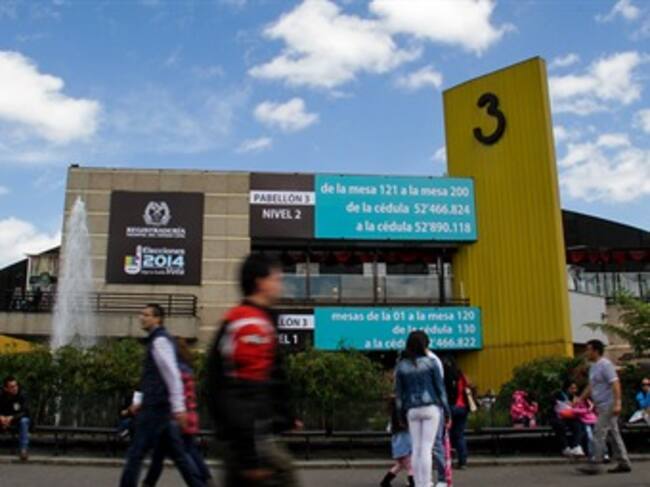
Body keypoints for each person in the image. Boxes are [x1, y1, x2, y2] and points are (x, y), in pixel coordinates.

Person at [206, 253, 301, 487]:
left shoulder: (255, 318)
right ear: (261, 283)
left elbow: (272, 376)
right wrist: (248, 457)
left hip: (243, 437)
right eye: (276, 279)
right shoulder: (250, 325)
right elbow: (245, 392)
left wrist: (286, 417)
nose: (280, 285)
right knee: (285, 474)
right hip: (250, 439)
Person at [119, 304, 205, 487]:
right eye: (141, 314)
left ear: (158, 319)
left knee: (136, 454)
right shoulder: (157, 339)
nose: (142, 318)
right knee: (179, 456)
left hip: (155, 408)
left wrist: (179, 408)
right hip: (162, 409)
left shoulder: (159, 341)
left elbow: (171, 374)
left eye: (147, 315)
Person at [142, 338, 215, 487]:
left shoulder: (176, 372)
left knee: (182, 455)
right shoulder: (187, 370)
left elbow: (172, 394)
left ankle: (200, 482)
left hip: (176, 418)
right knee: (180, 451)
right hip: (189, 416)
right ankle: (207, 479)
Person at [394, 331, 450, 487]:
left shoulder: (401, 366)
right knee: (427, 447)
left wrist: (400, 416)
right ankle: (426, 483)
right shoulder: (431, 363)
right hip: (431, 407)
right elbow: (440, 390)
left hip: (411, 409)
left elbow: (399, 395)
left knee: (416, 448)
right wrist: (447, 412)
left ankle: (418, 483)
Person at [577, 339, 632, 475]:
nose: (586, 353)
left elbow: (615, 383)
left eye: (588, 350)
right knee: (613, 433)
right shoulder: (594, 367)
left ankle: (596, 463)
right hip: (601, 405)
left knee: (598, 432)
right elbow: (591, 386)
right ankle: (623, 462)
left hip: (608, 404)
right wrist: (580, 399)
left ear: (596, 351)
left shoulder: (605, 365)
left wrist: (617, 402)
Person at [443, 356, 471, 470]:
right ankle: (463, 461)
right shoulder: (461, 375)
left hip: (450, 407)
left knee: (446, 435)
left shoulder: (444, 376)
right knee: (459, 435)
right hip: (463, 407)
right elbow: (468, 387)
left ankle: (447, 460)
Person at [380, 395, 414, 487]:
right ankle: (412, 483)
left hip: (396, 443)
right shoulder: (404, 418)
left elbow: (388, 429)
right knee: (410, 466)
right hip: (405, 444)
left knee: (399, 464)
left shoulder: (393, 418)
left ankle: (385, 482)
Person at [550, 381, 585, 457]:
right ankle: (565, 447)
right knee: (560, 426)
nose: (574, 390)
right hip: (558, 417)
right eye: (572, 388)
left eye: (575, 388)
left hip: (570, 416)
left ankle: (576, 446)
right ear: (567, 388)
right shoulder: (558, 394)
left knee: (578, 425)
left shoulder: (575, 396)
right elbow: (553, 402)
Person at [0, 376, 30, 461]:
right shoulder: (1, 395)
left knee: (24, 421)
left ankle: (23, 450)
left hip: (19, 419)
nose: (15, 388)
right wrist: (1, 417)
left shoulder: (22, 395)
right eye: (12, 387)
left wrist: (12, 417)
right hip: (4, 419)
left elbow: (25, 412)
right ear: (6, 388)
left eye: (16, 385)